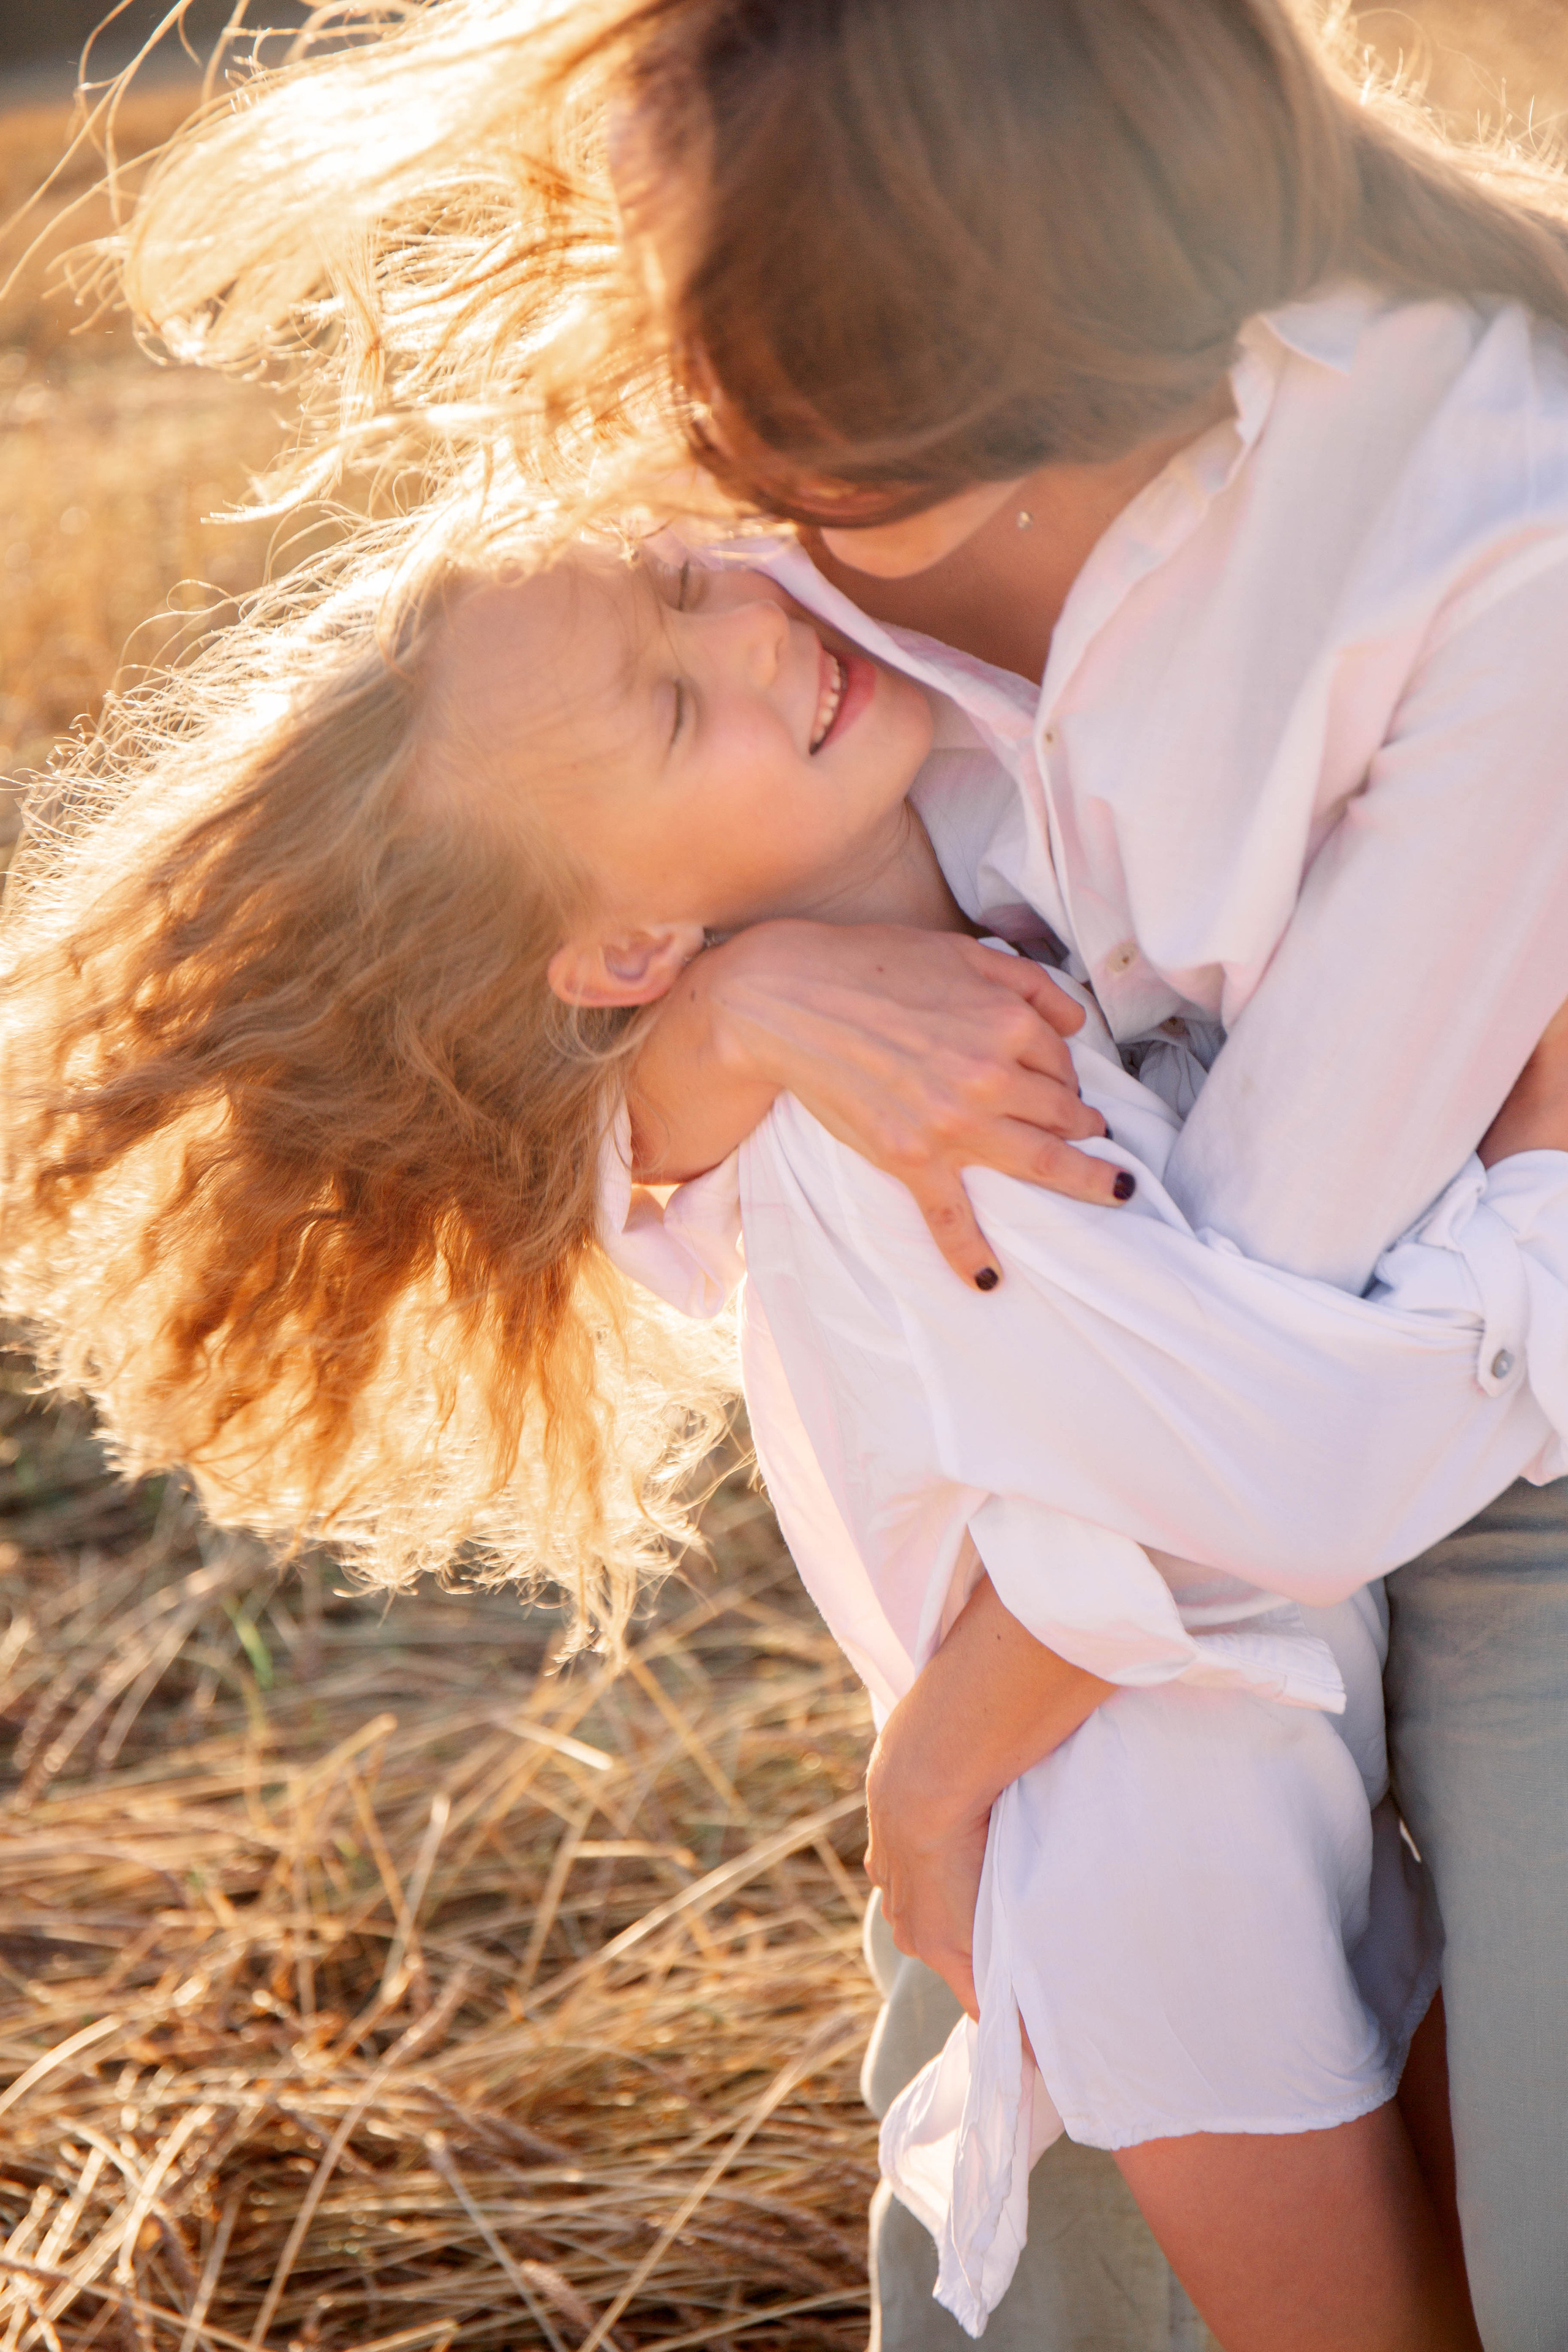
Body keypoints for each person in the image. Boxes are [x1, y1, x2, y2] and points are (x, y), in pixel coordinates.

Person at [99, 3, 1568, 2337]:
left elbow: (1264, 1389)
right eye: (693, 579)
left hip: (1281, 1640)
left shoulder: (1471, 533)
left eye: (748, 488)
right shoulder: (850, 809)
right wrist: (737, 1016)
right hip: (1171, 1783)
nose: (734, 548)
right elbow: (1262, 1440)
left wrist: (945, 1757)